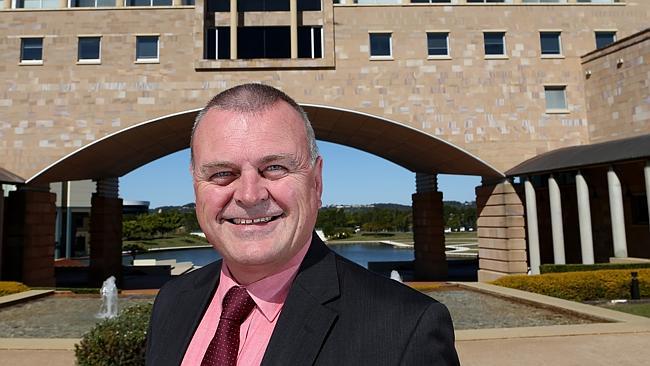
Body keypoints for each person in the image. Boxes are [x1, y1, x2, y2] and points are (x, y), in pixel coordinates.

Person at [145, 83, 460, 366]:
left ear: (317, 182)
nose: (249, 195)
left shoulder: (405, 329)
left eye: (275, 168)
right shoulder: (172, 301)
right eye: (221, 173)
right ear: (196, 186)